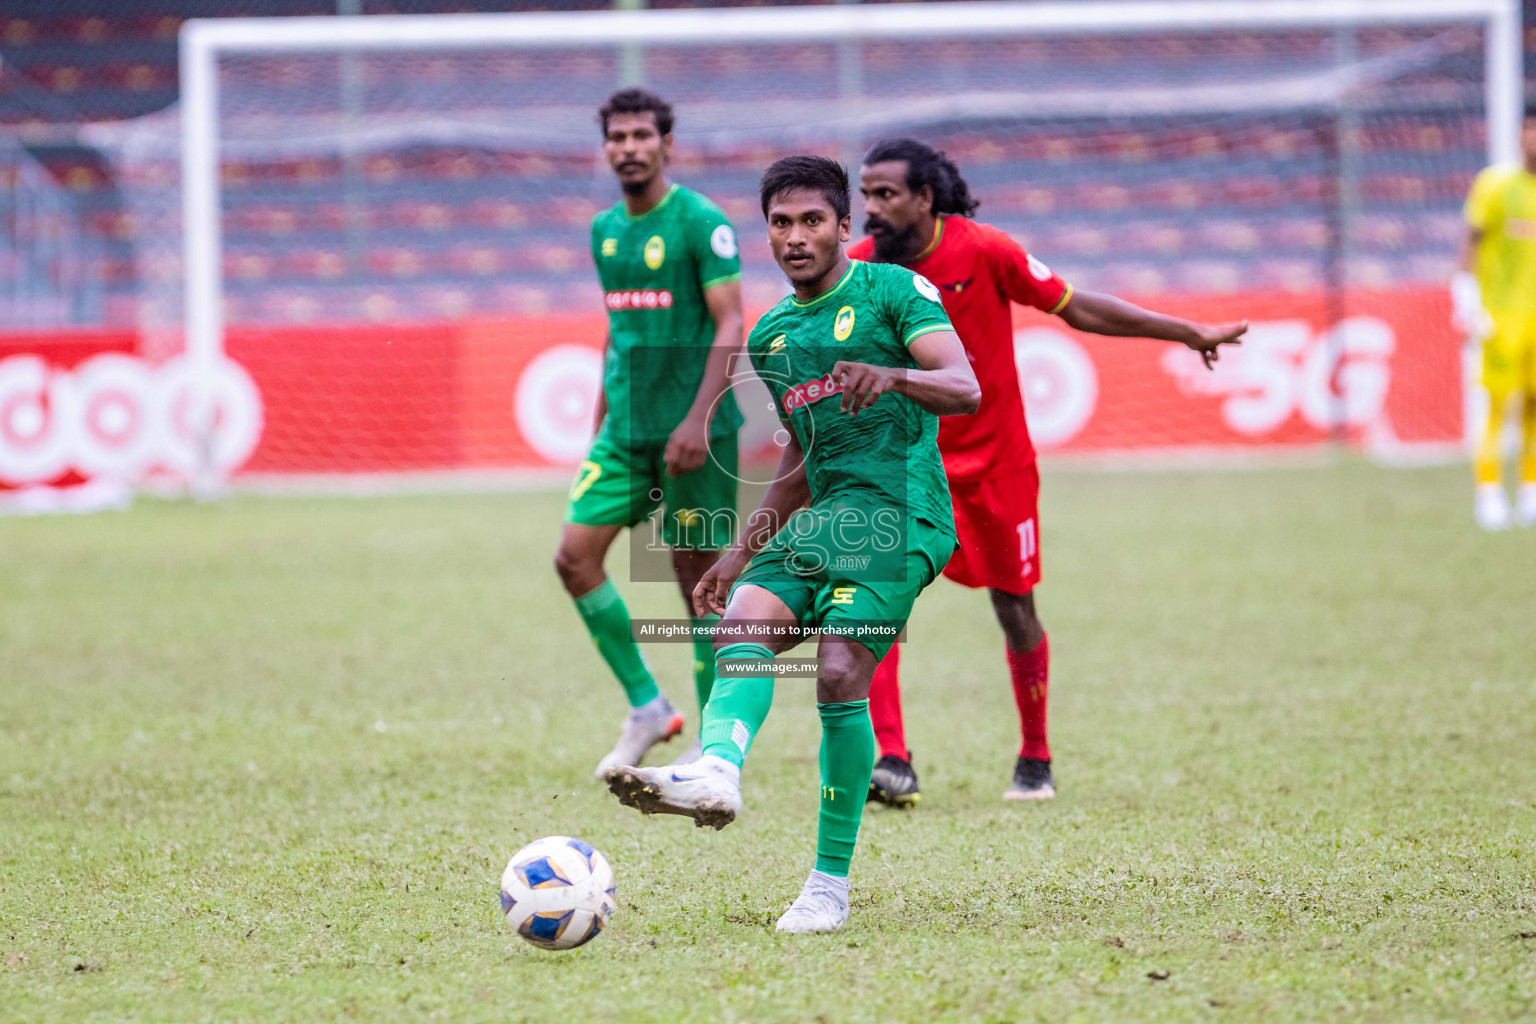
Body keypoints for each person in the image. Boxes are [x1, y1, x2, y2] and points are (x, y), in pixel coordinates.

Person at [605, 155, 981, 934]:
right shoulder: (774, 335)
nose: (796, 236)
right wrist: (739, 550)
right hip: (825, 516)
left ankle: (827, 889)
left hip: (902, 516)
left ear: (845, 226)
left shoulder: (894, 292)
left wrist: (896, 375)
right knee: (741, 618)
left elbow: (965, 387)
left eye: (813, 220)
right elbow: (802, 454)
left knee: (840, 672)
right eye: (781, 223)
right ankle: (716, 770)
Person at [849, 137, 1246, 806]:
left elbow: (1077, 305)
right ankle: (892, 757)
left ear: (924, 197)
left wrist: (1184, 331)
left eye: (885, 194)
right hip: (906, 466)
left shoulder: (983, 250)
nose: (871, 209)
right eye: (864, 195)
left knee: (1014, 607)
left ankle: (1035, 756)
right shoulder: (859, 266)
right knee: (874, 602)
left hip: (996, 466)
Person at [556, 88, 745, 778]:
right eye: (618, 137)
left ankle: (711, 743)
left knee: (696, 577)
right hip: (626, 434)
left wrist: (698, 418)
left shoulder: (700, 222)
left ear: (667, 144)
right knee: (574, 557)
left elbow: (731, 323)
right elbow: (619, 328)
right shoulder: (605, 229)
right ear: (605, 147)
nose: (629, 147)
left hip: (697, 433)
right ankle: (647, 706)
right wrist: (599, 424)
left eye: (642, 136)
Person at [1453, 109, 1536, 531]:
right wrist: (1465, 295)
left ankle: (1530, 491)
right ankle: (1488, 494)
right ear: (1522, 133)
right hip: (1502, 317)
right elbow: (1471, 240)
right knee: (1498, 407)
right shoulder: (1496, 185)